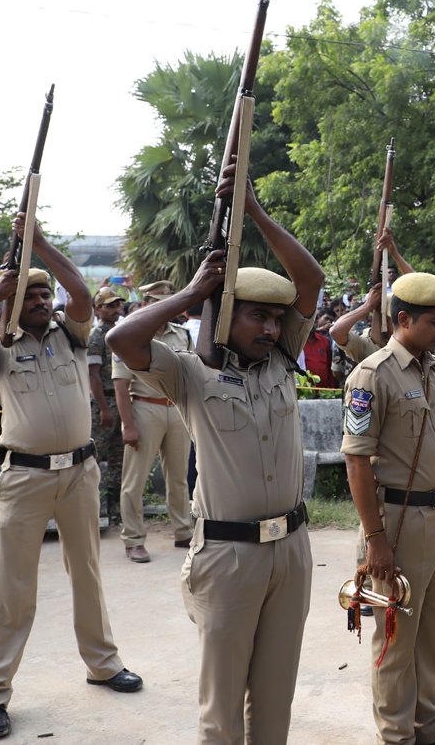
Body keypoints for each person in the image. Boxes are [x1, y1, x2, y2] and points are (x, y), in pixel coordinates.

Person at [106, 162, 322, 745]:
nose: (273, 328)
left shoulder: (282, 360)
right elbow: (122, 341)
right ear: (227, 316)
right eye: (258, 315)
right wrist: (192, 293)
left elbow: (310, 279)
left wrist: (254, 211)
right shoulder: (190, 373)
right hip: (228, 555)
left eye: (278, 318)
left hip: (292, 549)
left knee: (276, 696)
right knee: (221, 703)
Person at [0, 217, 142, 740]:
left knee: (87, 573)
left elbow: (83, 294)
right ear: (12, 306)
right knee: (12, 589)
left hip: (80, 471)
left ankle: (103, 663)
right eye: (32, 296)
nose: (43, 301)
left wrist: (40, 245)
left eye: (45, 294)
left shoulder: (72, 337)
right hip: (24, 479)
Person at [340, 272, 435, 745]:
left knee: (433, 635)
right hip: (397, 522)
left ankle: (430, 728)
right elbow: (356, 462)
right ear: (404, 319)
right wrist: (375, 539)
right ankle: (397, 737)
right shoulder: (372, 375)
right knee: (397, 642)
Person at [112, 280, 194, 562]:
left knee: (179, 478)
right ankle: (133, 539)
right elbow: (121, 386)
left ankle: (184, 532)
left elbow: (193, 372)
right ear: (145, 304)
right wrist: (128, 426)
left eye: (167, 302)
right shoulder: (130, 335)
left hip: (177, 409)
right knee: (134, 481)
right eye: (157, 303)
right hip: (145, 409)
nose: (163, 308)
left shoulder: (182, 334)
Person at [88, 287, 125, 522]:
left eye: (117, 305)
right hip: (104, 401)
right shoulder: (97, 335)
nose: (115, 309)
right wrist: (103, 408)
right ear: (98, 309)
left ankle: (115, 513)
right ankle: (90, 510)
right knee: (94, 457)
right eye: (109, 305)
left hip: (121, 400)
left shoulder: (121, 332)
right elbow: (93, 374)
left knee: (119, 460)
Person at [302, 311, 335, 387]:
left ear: (316, 323)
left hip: (324, 389)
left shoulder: (324, 341)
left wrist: (332, 387)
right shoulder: (298, 342)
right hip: (305, 389)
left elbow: (330, 366)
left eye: (313, 322)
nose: (311, 325)